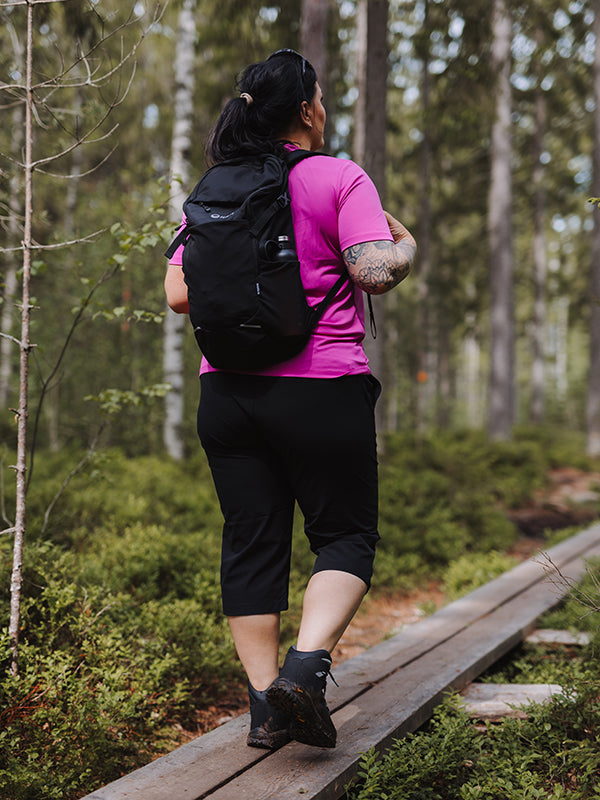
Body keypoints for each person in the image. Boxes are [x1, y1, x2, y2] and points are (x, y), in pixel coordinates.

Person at [164, 49, 416, 751]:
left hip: (227, 394)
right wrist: (407, 249)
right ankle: (304, 673)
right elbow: (374, 274)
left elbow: (177, 293)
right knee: (343, 537)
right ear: (307, 108)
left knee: (252, 545)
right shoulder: (339, 176)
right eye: (324, 98)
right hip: (321, 387)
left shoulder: (217, 185)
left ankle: (264, 711)